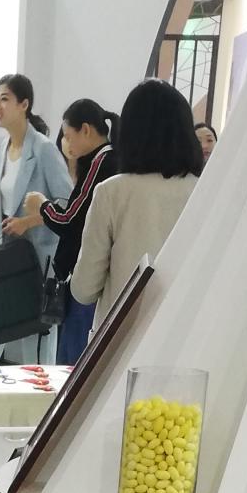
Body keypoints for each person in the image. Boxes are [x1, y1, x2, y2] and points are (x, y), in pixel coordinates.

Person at [71, 80, 202, 325]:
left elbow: (84, 289)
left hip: (122, 336)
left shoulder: (111, 192)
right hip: (184, 330)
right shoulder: (202, 192)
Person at [0, 73, 71, 366]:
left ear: (24, 104)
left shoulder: (44, 149)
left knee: (32, 335)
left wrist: (29, 221)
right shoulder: (4, 147)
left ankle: (37, 390)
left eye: (4, 99)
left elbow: (67, 204)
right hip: (3, 253)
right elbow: (7, 190)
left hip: (35, 257)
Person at [6, 97, 118, 363]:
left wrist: (42, 205)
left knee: (73, 358)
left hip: (86, 276)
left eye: (69, 136)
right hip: (91, 275)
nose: (66, 144)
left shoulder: (101, 162)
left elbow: (70, 219)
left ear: (86, 130)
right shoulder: (104, 160)